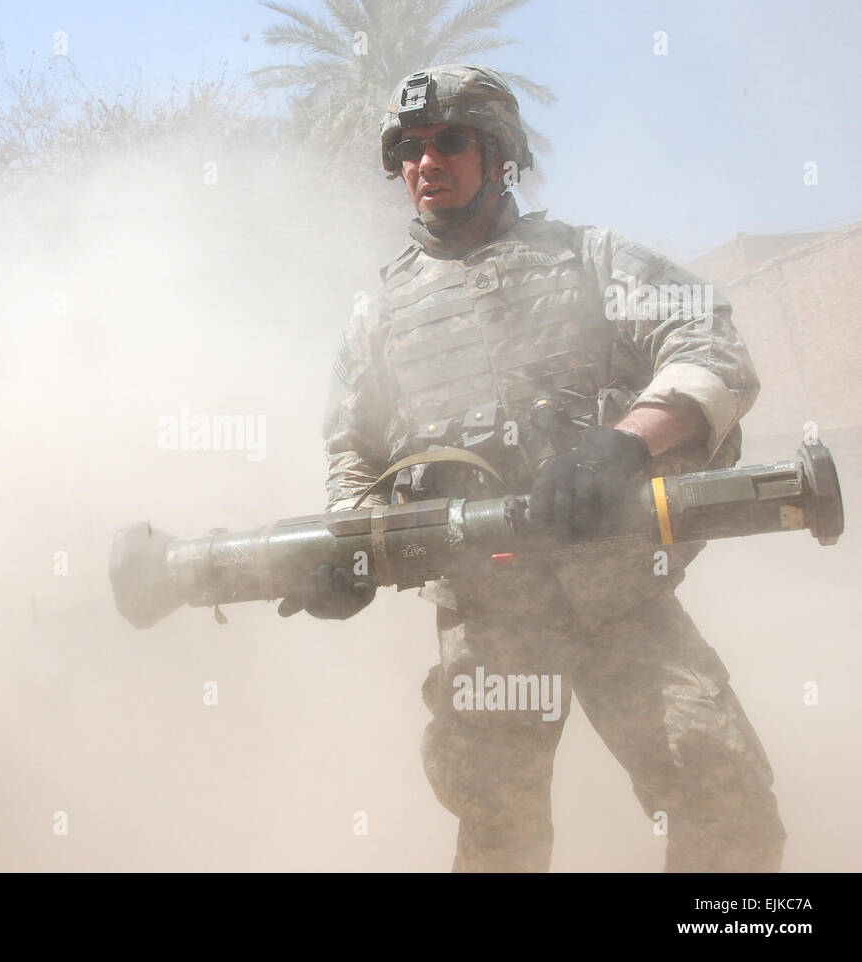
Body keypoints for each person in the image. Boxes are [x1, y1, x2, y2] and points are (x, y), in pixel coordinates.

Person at [279, 64, 786, 872]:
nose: (425, 163)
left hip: (621, 596)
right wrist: (350, 559)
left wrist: (624, 442)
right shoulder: (377, 319)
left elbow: (710, 346)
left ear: (500, 152)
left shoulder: (591, 259)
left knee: (728, 806)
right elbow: (354, 460)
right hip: (490, 618)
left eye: (449, 141)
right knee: (499, 839)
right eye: (408, 148)